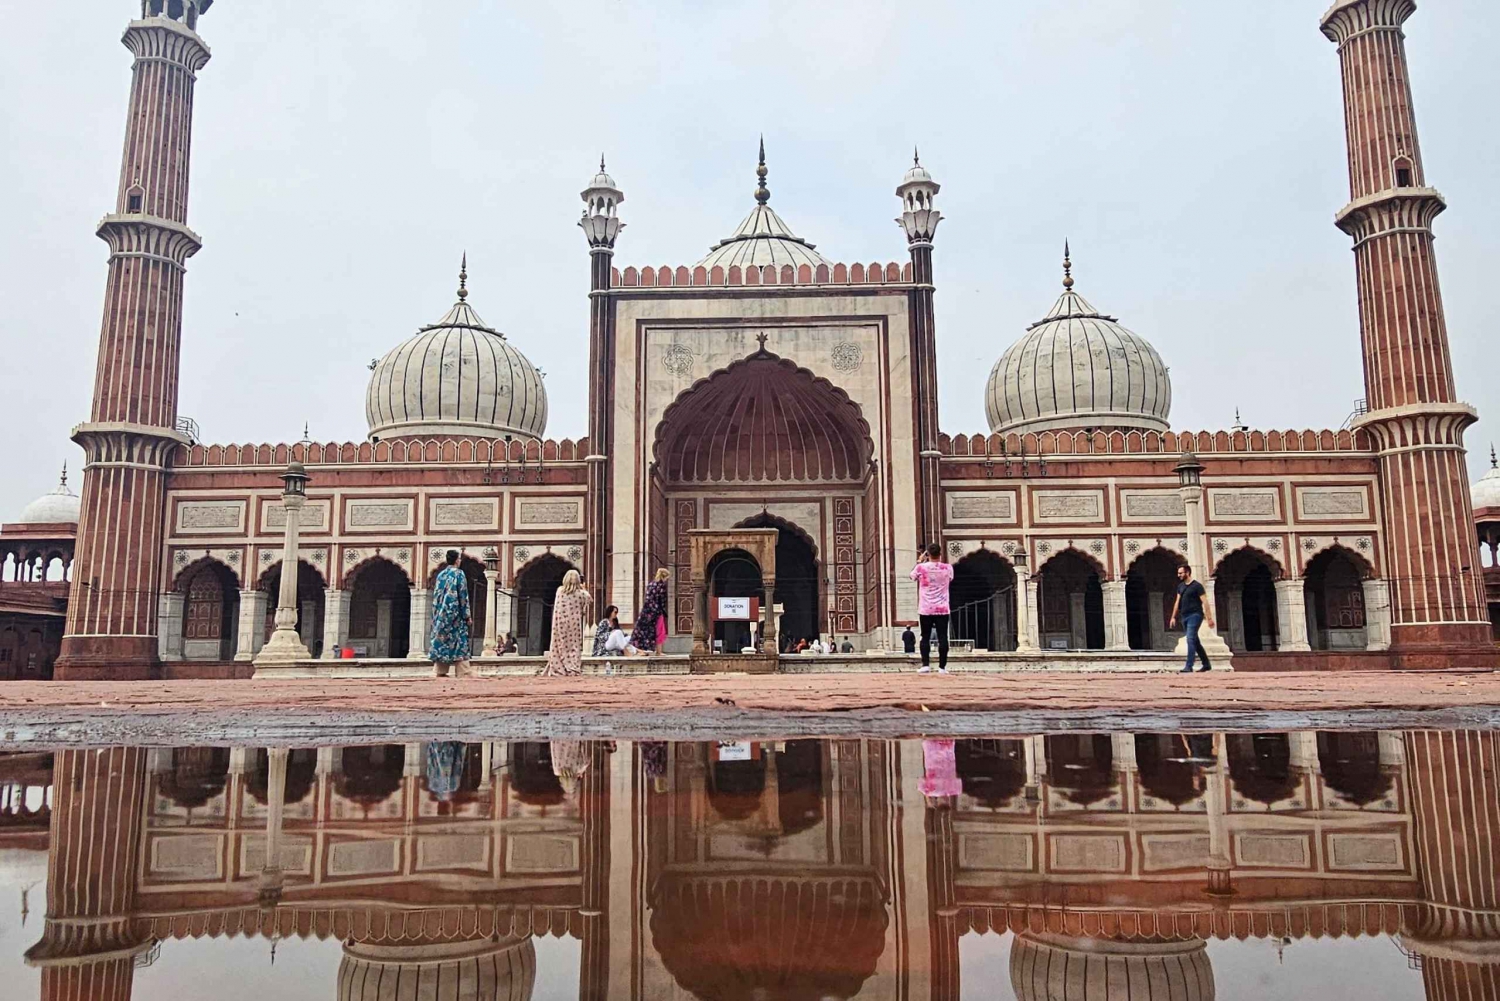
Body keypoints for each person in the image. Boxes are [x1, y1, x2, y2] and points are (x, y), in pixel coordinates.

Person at [910, 543, 954, 674]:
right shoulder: (948, 568)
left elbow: (912, 576)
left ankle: (925, 665)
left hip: (926, 608)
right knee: (942, 637)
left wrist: (919, 561)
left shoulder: (921, 567)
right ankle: (942, 667)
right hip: (942, 608)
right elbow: (950, 579)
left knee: (925, 636)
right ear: (940, 553)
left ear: (927, 554)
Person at [429, 550, 472, 678]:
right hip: (455, 614)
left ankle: (440, 670)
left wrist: (436, 615)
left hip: (441, 615)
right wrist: (467, 615)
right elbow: (463, 596)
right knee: (460, 640)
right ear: (456, 560)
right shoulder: (459, 574)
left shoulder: (441, 575)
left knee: (442, 640)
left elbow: (436, 596)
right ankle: (463, 670)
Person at [541, 570, 591, 677]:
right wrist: (583, 588)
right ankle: (572, 667)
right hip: (574, 625)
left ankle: (559, 667)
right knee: (573, 646)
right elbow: (589, 600)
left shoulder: (559, 591)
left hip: (559, 624)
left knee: (558, 645)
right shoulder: (581, 594)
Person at [1169, 562, 1214, 674]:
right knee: (1195, 641)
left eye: (1181, 573)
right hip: (1184, 616)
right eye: (1178, 573)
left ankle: (1189, 666)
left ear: (1187, 573)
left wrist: (1209, 618)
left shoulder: (1197, 586)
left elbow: (1205, 602)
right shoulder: (1181, 586)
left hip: (1195, 615)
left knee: (1190, 638)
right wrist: (1173, 617)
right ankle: (1206, 664)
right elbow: (1177, 602)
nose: (1179, 575)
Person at [629, 568, 670, 656]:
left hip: (646, 611)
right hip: (657, 612)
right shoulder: (661, 585)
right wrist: (664, 611)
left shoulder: (651, 584)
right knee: (660, 631)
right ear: (664, 576)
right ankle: (658, 652)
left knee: (643, 630)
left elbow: (647, 598)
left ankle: (642, 650)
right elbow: (662, 600)